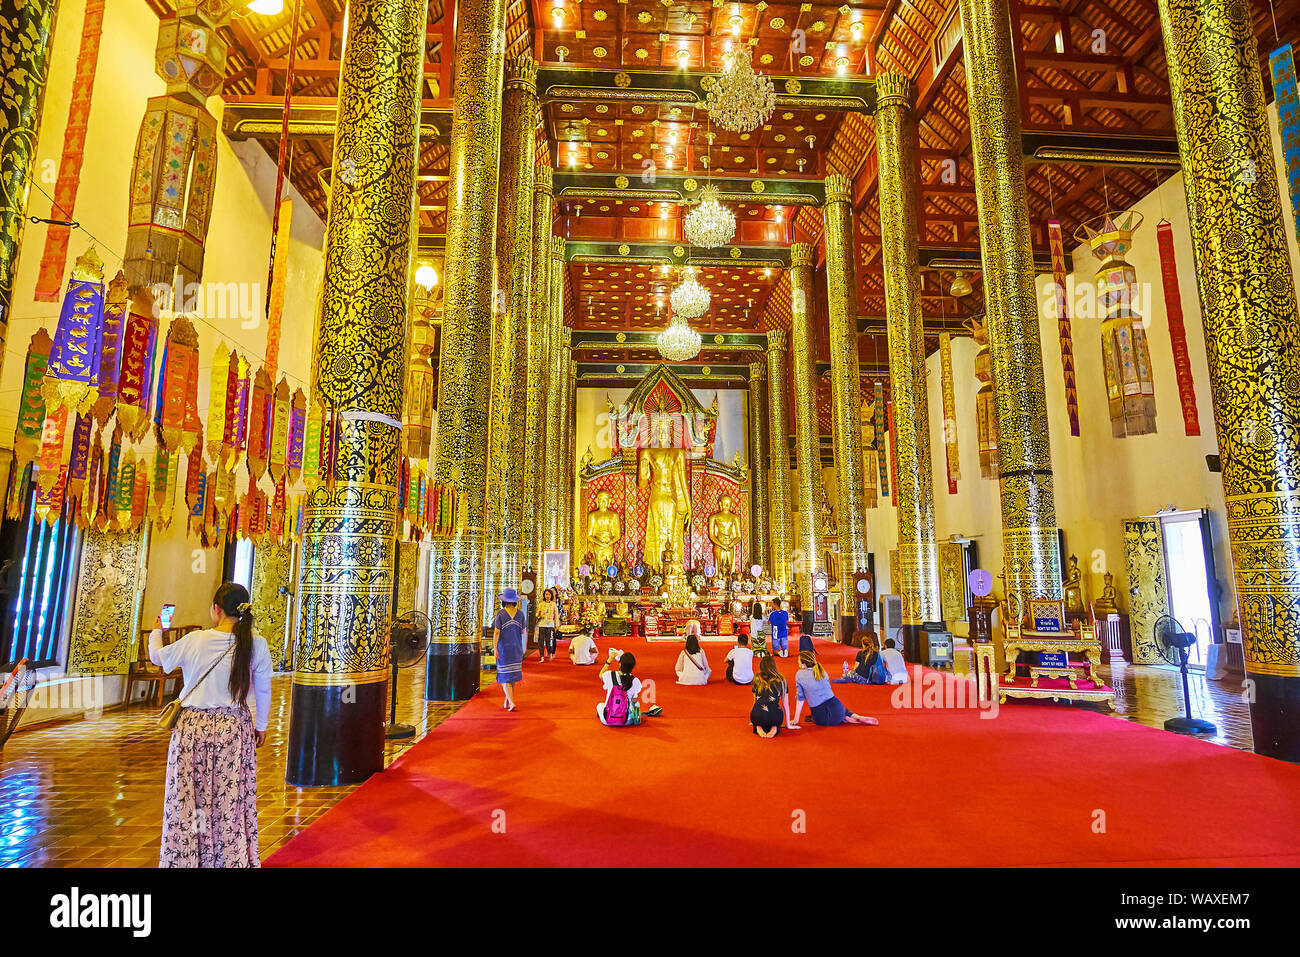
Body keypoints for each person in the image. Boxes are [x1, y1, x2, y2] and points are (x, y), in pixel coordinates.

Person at [149, 582, 272, 868]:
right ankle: (230, 859)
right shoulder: (257, 643)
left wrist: (158, 630)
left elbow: (159, 658)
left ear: (216, 610)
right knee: (229, 799)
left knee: (189, 799)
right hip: (233, 729)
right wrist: (262, 726)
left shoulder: (196, 640)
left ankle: (188, 860)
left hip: (193, 729)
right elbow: (264, 689)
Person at [791, 650, 878, 727]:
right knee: (842, 710)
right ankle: (856, 717)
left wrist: (796, 719)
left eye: (798, 661)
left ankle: (845, 719)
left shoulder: (799, 674)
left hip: (822, 716)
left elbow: (800, 698)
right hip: (837, 707)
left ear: (803, 664)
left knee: (813, 717)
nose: (797, 662)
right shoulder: (822, 672)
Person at [493, 588, 527, 711]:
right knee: (511, 676)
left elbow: (497, 632)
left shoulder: (500, 614)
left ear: (504, 601)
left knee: (504, 676)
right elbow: (523, 631)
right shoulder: (520, 614)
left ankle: (512, 702)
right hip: (516, 648)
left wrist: (494, 647)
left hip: (504, 648)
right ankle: (507, 700)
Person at [750, 655, 797, 737]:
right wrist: (788, 724)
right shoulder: (781, 679)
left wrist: (754, 718)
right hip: (774, 715)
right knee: (775, 712)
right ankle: (774, 727)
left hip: (757, 714)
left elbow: (755, 700)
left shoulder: (757, 678)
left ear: (761, 666)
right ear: (774, 666)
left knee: (758, 709)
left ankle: (758, 726)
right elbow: (785, 704)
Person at [598, 649, 642, 726]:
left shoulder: (609, 675)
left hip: (607, 719)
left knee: (600, 705)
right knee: (636, 705)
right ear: (633, 666)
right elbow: (635, 701)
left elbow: (600, 674)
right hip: (626, 720)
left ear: (620, 664)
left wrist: (609, 660)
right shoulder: (635, 680)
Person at [536, 587, 559, 662]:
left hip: (550, 624)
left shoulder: (553, 604)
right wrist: (539, 615)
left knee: (550, 640)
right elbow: (537, 614)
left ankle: (550, 652)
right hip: (542, 624)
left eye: (549, 594)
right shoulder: (541, 604)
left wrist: (557, 625)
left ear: (551, 595)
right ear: (544, 595)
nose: (547, 596)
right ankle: (542, 656)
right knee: (541, 641)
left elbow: (556, 615)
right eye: (546, 594)